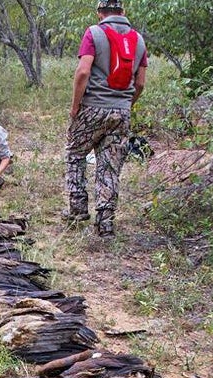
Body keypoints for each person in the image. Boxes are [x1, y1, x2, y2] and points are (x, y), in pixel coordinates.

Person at [64, 0, 147, 237]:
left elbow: (82, 71)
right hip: (121, 111)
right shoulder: (138, 40)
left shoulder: (94, 33)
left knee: (75, 153)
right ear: (123, 12)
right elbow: (140, 83)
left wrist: (75, 106)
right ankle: (106, 223)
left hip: (92, 107)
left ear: (100, 13)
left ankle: (77, 207)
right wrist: (125, 105)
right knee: (110, 167)